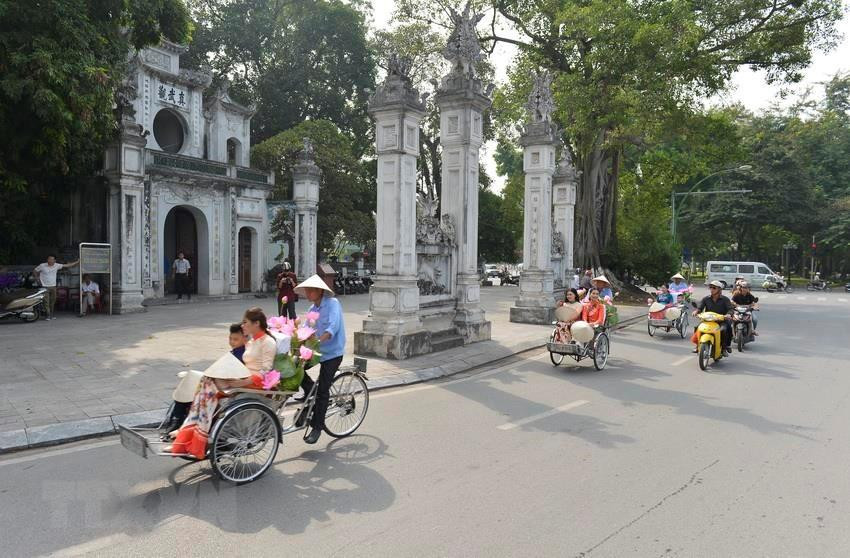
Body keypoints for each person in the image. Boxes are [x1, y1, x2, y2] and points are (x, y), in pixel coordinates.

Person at [169, 308, 276, 458]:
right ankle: (189, 432)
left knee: (208, 385)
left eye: (245, 322)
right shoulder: (251, 342)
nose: (243, 325)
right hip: (242, 379)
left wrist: (240, 383)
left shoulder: (268, 342)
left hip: (254, 384)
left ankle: (193, 435)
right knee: (206, 382)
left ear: (256, 323)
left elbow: (265, 370)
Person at [166, 323, 248, 432]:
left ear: (245, 338)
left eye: (235, 339)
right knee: (190, 380)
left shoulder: (243, 354)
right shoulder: (235, 352)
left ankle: (177, 420)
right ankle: (177, 419)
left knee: (193, 383)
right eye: (230, 338)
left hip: (226, 383)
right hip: (220, 379)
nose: (232, 342)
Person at [294, 274, 345, 445]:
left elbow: (333, 327)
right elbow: (305, 330)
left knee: (323, 390)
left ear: (319, 291)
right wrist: (296, 342)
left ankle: (317, 427)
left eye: (310, 290)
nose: (307, 293)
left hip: (332, 352)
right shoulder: (311, 311)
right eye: (306, 290)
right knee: (295, 369)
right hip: (316, 352)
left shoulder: (333, 304)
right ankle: (310, 397)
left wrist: (318, 340)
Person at [692, 280, 734, 354]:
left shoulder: (725, 299)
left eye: (714, 288)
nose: (712, 289)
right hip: (708, 320)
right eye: (710, 287)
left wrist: (728, 315)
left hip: (721, 320)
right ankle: (697, 345)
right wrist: (696, 311)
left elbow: (730, 309)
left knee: (725, 329)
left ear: (719, 289)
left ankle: (725, 347)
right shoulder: (706, 298)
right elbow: (700, 307)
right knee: (697, 327)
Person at [34, 254, 79, 320]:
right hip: (44, 286)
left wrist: (77, 262)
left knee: (53, 301)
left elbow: (67, 265)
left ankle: (51, 314)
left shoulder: (56, 265)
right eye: (49, 259)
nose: (50, 260)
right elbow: (35, 271)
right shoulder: (42, 265)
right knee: (46, 301)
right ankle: (48, 315)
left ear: (55, 260)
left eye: (52, 259)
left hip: (53, 286)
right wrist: (37, 279)